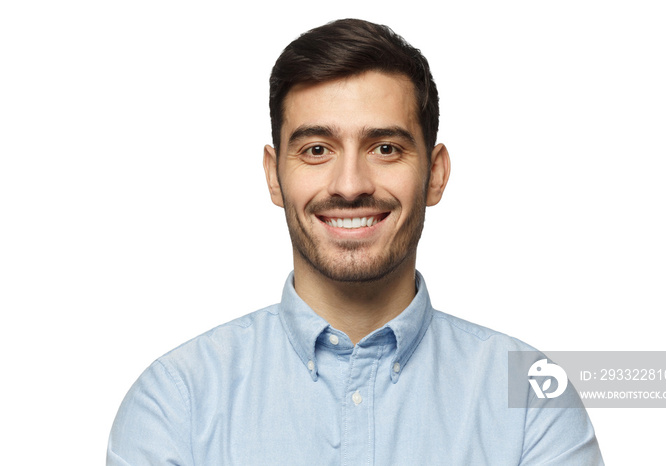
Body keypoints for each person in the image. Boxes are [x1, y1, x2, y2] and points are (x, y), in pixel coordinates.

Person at [107, 18, 603, 465]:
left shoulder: (533, 402)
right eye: (317, 149)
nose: (349, 184)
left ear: (436, 175)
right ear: (274, 176)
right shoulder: (177, 402)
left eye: (385, 148)